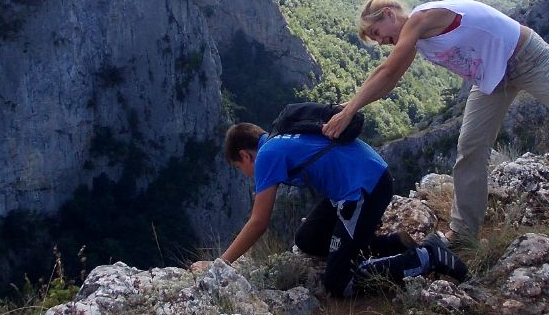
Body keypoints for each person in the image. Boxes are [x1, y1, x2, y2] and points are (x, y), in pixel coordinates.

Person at [322, 0, 549, 245]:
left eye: (378, 32)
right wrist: (353, 105)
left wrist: (349, 110)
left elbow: (387, 70)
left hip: (527, 58)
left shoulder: (421, 19)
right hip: (492, 80)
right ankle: (464, 234)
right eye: (376, 40)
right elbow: (392, 78)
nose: (380, 41)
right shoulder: (416, 41)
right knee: (471, 150)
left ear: (390, 14)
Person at [189, 122, 468, 296]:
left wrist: (219, 264)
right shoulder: (280, 136)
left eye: (241, 169)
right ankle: (390, 243)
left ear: (244, 155)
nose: (248, 175)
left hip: (363, 190)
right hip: (360, 179)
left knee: (338, 283)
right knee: (307, 239)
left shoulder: (266, 156)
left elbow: (259, 222)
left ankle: (427, 255)